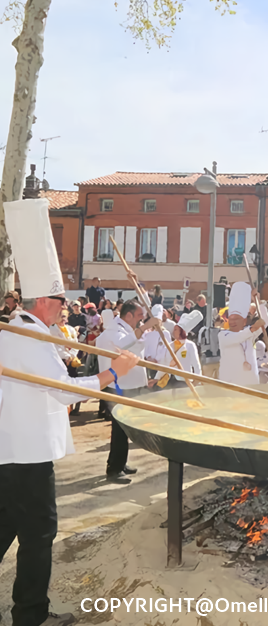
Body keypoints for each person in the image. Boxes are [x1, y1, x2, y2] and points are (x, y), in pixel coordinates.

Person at [0, 197, 140, 626]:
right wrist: (110, 374)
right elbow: (63, 391)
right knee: (39, 534)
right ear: (45, 301)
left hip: (14, 450)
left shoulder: (24, 331)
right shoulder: (28, 336)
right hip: (26, 454)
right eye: (60, 300)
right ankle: (31, 616)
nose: (65, 307)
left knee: (6, 529)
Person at [97, 299, 159, 483]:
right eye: (140, 316)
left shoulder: (127, 329)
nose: (141, 320)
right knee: (119, 428)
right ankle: (114, 469)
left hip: (129, 384)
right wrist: (146, 326)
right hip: (118, 385)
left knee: (125, 427)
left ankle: (120, 462)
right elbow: (123, 345)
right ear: (129, 315)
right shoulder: (114, 330)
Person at [218, 282, 268, 386]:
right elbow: (238, 337)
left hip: (250, 382)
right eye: (231, 319)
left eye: (236, 319)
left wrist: (257, 301)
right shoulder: (223, 335)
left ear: (244, 321)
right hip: (230, 382)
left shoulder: (250, 334)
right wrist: (253, 328)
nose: (232, 322)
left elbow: (266, 320)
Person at [152, 311, 203, 389]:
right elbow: (165, 364)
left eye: (176, 329)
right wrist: (156, 379)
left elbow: (196, 365)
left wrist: (196, 381)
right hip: (169, 381)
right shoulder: (170, 345)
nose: (173, 331)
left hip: (184, 381)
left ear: (182, 331)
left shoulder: (190, 345)